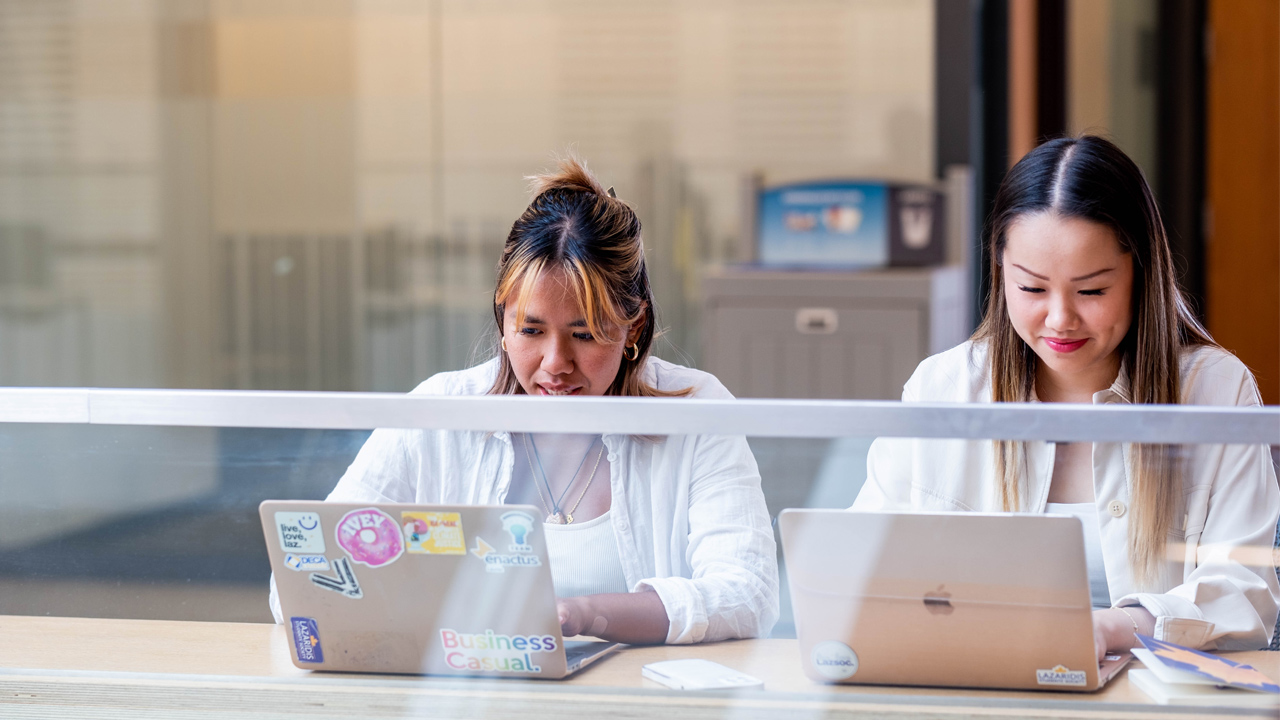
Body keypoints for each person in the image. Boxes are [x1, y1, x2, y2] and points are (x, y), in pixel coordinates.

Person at [270, 157, 779, 645]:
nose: (555, 362)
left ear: (633, 327)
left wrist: (583, 616)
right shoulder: (442, 410)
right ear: (503, 317)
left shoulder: (696, 410)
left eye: (584, 334)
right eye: (531, 330)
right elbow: (299, 581)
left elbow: (746, 594)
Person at [853, 135, 1280, 656]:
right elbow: (860, 569)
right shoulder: (941, 388)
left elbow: (1245, 595)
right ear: (1000, 270)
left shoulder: (1215, 391)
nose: (1060, 319)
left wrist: (1108, 629)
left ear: (1140, 276)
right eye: (1032, 289)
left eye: (1092, 291)